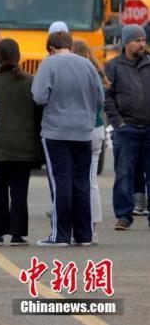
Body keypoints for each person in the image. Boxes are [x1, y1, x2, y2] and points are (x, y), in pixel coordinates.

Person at [32, 31, 104, 246]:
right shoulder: (87, 64)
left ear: (51, 48)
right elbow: (100, 97)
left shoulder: (49, 64)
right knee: (82, 181)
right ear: (69, 45)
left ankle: (60, 234)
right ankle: (84, 235)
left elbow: (38, 96)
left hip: (56, 131)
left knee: (61, 181)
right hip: (83, 131)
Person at [0, 39, 40, 247]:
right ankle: (18, 233)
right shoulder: (29, 81)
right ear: (18, 56)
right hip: (23, 146)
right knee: (19, 191)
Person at [104, 24, 150, 230]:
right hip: (126, 129)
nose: (142, 44)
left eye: (143, 40)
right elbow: (106, 97)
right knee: (123, 173)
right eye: (138, 41)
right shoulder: (113, 66)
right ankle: (124, 215)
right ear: (126, 43)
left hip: (148, 128)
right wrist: (118, 123)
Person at [72, 39, 108, 243]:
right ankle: (93, 228)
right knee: (91, 180)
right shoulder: (96, 71)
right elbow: (101, 100)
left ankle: (79, 225)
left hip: (81, 129)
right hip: (98, 127)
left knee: (77, 180)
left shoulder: (76, 74)